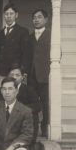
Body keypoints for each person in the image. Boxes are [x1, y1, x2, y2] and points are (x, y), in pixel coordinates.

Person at [0, 64, 41, 150]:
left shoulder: (29, 89)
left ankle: (31, 145)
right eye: (12, 75)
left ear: (22, 77)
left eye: (17, 75)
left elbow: (37, 106)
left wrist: (21, 110)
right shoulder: (2, 90)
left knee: (34, 115)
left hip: (23, 119)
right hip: (8, 120)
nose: (14, 77)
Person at [0, 3, 29, 94]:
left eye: (11, 13)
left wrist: (23, 71)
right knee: (0, 95)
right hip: (2, 72)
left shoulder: (23, 31)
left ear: (16, 15)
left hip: (15, 72)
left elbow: (26, 53)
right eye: (6, 14)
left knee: (16, 95)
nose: (8, 16)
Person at [26, 9, 51, 137]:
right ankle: (34, 129)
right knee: (34, 104)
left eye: (39, 17)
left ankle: (45, 128)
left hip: (45, 76)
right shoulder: (30, 37)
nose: (36, 19)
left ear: (46, 20)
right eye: (34, 17)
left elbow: (59, 54)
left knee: (46, 103)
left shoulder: (51, 35)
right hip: (31, 76)